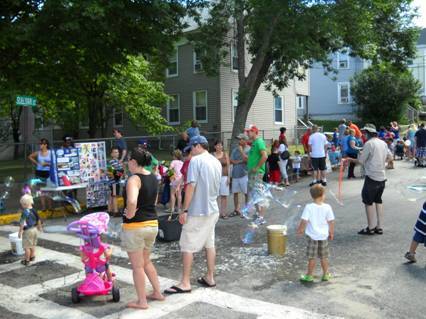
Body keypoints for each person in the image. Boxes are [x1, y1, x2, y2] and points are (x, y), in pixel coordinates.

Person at [164, 135, 221, 294]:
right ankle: (210, 277)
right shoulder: (215, 160)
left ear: (197, 146)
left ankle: (185, 282)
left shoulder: (196, 161)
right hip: (212, 208)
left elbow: (191, 186)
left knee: (187, 245)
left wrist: (185, 210)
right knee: (210, 244)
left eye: (191, 148)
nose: (190, 151)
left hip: (197, 210)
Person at [121, 147, 164, 309]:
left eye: (129, 161)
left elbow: (132, 202)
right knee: (146, 262)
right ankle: (157, 293)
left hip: (136, 227)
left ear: (133, 162)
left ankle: (142, 301)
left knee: (137, 266)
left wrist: (130, 215)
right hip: (152, 224)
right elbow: (153, 202)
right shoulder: (153, 177)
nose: (127, 164)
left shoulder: (134, 179)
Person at [348, 124, 391, 235]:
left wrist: (350, 159)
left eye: (364, 133)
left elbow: (361, 161)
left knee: (368, 201)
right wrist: (383, 164)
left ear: (368, 133)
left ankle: (371, 228)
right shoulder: (383, 143)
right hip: (382, 177)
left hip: (372, 177)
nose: (363, 134)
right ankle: (379, 227)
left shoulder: (369, 143)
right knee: (378, 200)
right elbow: (390, 157)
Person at [297, 184, 335, 282]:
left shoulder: (309, 207)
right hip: (323, 236)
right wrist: (331, 232)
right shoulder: (327, 207)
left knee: (312, 257)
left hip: (312, 236)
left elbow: (304, 220)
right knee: (324, 257)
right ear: (322, 195)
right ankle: (326, 274)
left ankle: (309, 276)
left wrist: (300, 229)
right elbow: (331, 221)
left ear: (312, 196)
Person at [246, 125, 268, 225]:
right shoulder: (254, 143)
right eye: (247, 132)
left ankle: (261, 217)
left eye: (249, 131)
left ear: (255, 132)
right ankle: (259, 215)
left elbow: (265, 156)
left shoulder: (259, 142)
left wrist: (257, 167)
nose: (247, 133)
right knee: (254, 194)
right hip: (252, 172)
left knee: (259, 194)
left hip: (257, 173)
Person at [28, 138, 52, 211]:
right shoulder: (38, 153)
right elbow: (30, 156)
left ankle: (50, 207)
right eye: (40, 144)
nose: (40, 145)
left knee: (49, 190)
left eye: (42, 144)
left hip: (48, 172)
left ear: (46, 145)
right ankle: (43, 207)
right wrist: (37, 163)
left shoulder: (51, 152)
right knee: (41, 190)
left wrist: (47, 164)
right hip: (39, 172)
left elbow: (55, 163)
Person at [18, 194, 42, 266]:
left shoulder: (25, 212)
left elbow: (22, 223)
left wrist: (20, 231)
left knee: (27, 247)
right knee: (32, 245)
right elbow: (39, 220)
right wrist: (39, 227)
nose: (22, 206)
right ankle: (32, 256)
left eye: (22, 204)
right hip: (34, 230)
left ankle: (27, 260)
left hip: (28, 231)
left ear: (24, 204)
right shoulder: (34, 210)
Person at [229, 134, 250, 217]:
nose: (239, 141)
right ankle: (236, 210)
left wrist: (241, 153)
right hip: (235, 174)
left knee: (246, 193)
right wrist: (239, 161)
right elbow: (231, 160)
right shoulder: (235, 149)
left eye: (240, 139)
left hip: (244, 174)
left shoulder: (249, 149)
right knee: (235, 193)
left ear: (245, 140)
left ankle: (246, 210)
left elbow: (247, 160)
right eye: (238, 139)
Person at [213, 140, 230, 219]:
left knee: (224, 195)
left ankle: (223, 213)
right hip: (215, 178)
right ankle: (216, 213)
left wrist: (229, 177)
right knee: (215, 196)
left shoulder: (225, 154)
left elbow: (228, 166)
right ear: (215, 146)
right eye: (218, 145)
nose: (220, 147)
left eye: (221, 145)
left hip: (224, 177)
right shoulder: (212, 155)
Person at [107, 147, 124, 216]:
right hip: (113, 182)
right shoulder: (111, 162)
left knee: (112, 196)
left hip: (117, 181)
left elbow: (121, 172)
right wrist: (118, 174)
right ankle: (116, 212)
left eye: (117, 152)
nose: (117, 153)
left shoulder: (119, 162)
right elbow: (110, 173)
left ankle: (109, 210)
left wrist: (120, 174)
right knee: (114, 196)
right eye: (115, 152)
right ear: (111, 154)